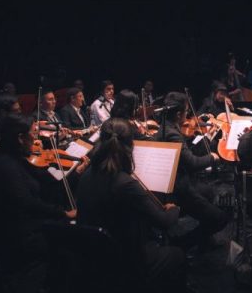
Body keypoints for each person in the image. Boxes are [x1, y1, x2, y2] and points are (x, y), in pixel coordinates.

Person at [77, 119, 187, 291]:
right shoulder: (125, 184)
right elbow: (164, 221)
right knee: (177, 255)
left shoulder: (87, 174)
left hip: (96, 255)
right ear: (130, 145)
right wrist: (174, 209)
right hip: (125, 261)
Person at [0, 114, 75, 265]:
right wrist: (63, 213)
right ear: (21, 138)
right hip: (20, 236)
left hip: (32, 223)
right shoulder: (6, 166)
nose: (36, 139)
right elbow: (28, 203)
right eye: (33, 133)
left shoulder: (18, 158)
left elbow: (46, 184)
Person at [161, 91, 228, 249]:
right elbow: (192, 163)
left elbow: (185, 154)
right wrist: (212, 157)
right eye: (186, 111)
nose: (188, 115)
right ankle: (183, 243)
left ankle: (205, 240)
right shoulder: (172, 134)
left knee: (208, 192)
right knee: (220, 219)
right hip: (179, 187)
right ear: (178, 114)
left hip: (178, 181)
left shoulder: (165, 127)